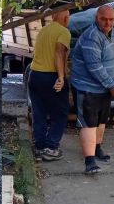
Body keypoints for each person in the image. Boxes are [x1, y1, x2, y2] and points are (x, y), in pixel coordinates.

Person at [70, 5, 114, 174]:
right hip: (87, 88)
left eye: (111, 19)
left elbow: (113, 57)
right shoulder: (91, 37)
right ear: (96, 18)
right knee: (89, 124)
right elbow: (95, 67)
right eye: (103, 19)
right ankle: (89, 162)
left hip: (103, 88)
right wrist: (112, 84)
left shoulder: (111, 33)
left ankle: (97, 149)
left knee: (101, 121)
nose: (107, 23)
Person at [28, 9, 71, 161]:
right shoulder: (64, 32)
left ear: (53, 16)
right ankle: (51, 148)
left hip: (35, 75)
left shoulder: (43, 31)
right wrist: (61, 77)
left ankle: (39, 147)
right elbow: (59, 52)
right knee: (59, 114)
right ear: (66, 18)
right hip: (51, 77)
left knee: (38, 112)